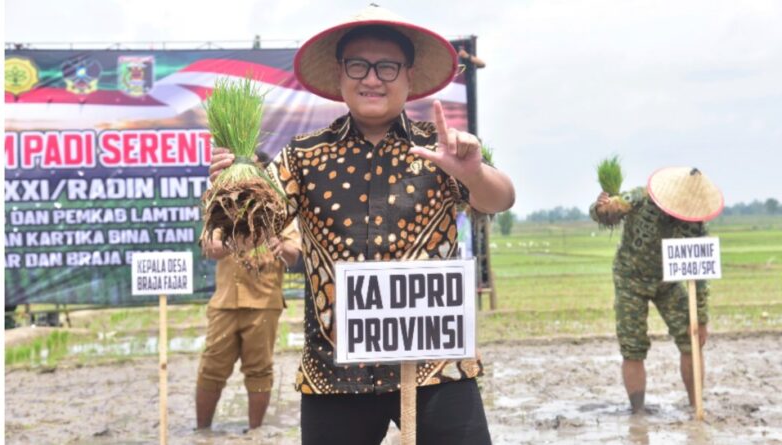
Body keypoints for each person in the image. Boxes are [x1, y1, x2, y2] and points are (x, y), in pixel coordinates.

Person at [209, 5, 515, 444]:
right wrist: (232, 190)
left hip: (436, 365)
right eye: (358, 65)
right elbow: (249, 231)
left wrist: (473, 173)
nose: (372, 79)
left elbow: (500, 198)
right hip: (335, 373)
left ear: (409, 76)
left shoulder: (441, 148)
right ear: (340, 74)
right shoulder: (303, 156)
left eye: (387, 67)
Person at [590, 167, 723, 414]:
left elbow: (700, 275)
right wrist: (603, 209)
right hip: (631, 279)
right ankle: (638, 411)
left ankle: (696, 406)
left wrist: (701, 319)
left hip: (668, 284)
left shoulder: (694, 225)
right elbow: (607, 213)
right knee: (633, 346)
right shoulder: (639, 198)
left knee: (692, 339)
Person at [195, 216, 301, 431]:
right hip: (225, 301)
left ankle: (254, 433)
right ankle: (202, 431)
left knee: (260, 370)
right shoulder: (224, 208)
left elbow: (294, 255)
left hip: (264, 301)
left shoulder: (278, 211)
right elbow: (209, 247)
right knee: (211, 367)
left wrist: (279, 246)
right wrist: (237, 243)